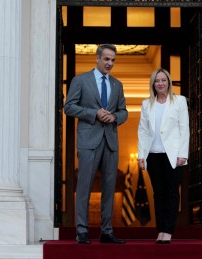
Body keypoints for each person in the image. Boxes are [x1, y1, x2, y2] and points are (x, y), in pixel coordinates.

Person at [64, 44, 128, 244]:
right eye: (107, 59)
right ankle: (82, 231)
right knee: (84, 187)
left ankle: (106, 232)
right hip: (88, 142)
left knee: (109, 188)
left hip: (110, 142)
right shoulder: (80, 80)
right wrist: (94, 113)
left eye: (113, 60)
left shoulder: (117, 85)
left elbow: (124, 111)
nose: (110, 63)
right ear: (97, 58)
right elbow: (69, 107)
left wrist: (114, 116)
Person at [137, 68, 189, 244]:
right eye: (157, 81)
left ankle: (168, 230)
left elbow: (184, 129)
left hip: (173, 155)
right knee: (158, 194)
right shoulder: (146, 104)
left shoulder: (179, 101)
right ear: (153, 84)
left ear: (168, 82)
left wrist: (182, 154)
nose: (160, 83)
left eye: (163, 80)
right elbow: (143, 131)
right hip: (153, 155)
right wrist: (141, 156)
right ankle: (160, 230)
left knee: (172, 193)